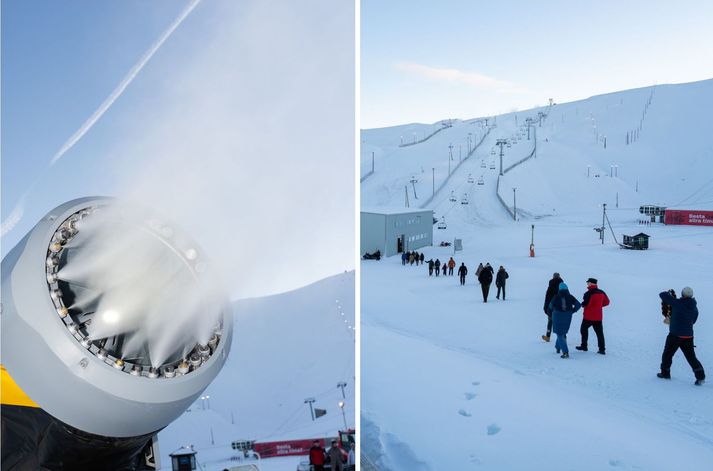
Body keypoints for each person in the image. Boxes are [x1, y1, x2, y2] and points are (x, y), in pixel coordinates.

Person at [658, 287, 705, 385]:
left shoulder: (677, 303)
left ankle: (665, 373)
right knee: (691, 357)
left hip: (675, 335)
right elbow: (694, 321)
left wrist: (669, 293)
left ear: (682, 294)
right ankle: (700, 377)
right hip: (688, 336)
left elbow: (662, 294)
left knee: (668, 354)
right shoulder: (694, 307)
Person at [576, 278, 610, 354]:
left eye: (588, 282)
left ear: (591, 283)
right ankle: (602, 349)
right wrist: (599, 306)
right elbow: (607, 302)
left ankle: (584, 346)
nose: (587, 284)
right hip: (598, 317)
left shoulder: (588, 293)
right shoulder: (601, 292)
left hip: (588, 316)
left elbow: (586, 304)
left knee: (583, 330)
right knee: (599, 333)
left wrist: (582, 305)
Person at [548, 282, 581, 358]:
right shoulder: (570, 297)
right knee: (562, 332)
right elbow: (578, 305)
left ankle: (565, 352)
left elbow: (550, 306)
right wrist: (572, 311)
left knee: (559, 333)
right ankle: (558, 347)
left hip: (557, 315)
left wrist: (551, 314)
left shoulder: (556, 297)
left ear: (559, 289)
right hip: (568, 316)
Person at [542, 272, 563, 342]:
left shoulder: (551, 285)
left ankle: (548, 336)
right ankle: (563, 337)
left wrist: (545, 307)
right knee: (559, 322)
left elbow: (547, 297)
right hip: (559, 306)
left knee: (550, 321)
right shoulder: (562, 286)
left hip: (551, 307)